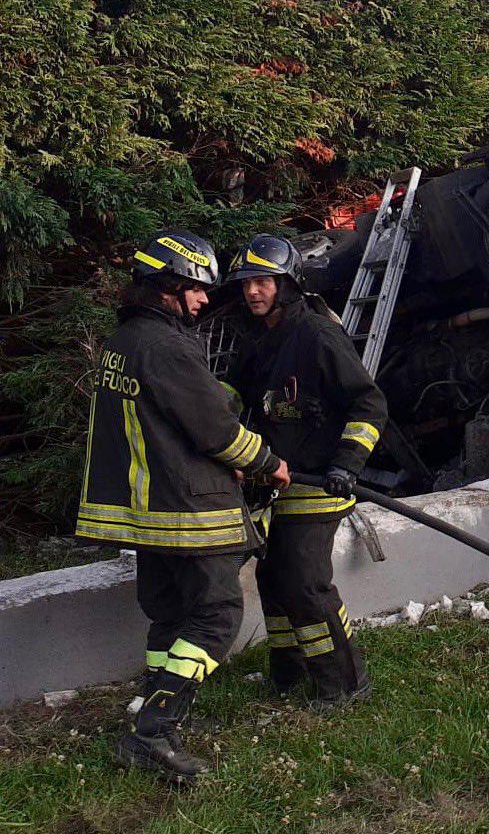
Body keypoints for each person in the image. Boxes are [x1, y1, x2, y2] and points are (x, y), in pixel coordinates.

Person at [76, 230, 290, 783]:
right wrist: (267, 461)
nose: (203, 301)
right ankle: (153, 730)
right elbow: (214, 427)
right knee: (217, 612)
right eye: (195, 290)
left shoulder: (122, 342)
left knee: (170, 611)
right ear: (167, 285)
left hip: (147, 509)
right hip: (187, 505)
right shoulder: (166, 346)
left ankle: (154, 700)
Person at [225, 234, 387, 711]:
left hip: (320, 479)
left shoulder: (318, 335)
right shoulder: (259, 339)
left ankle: (344, 681)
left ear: (288, 283)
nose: (252, 292)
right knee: (273, 577)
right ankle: (289, 672)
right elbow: (233, 395)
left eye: (263, 281)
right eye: (246, 283)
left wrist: (347, 463)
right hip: (279, 479)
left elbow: (369, 403)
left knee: (304, 581)